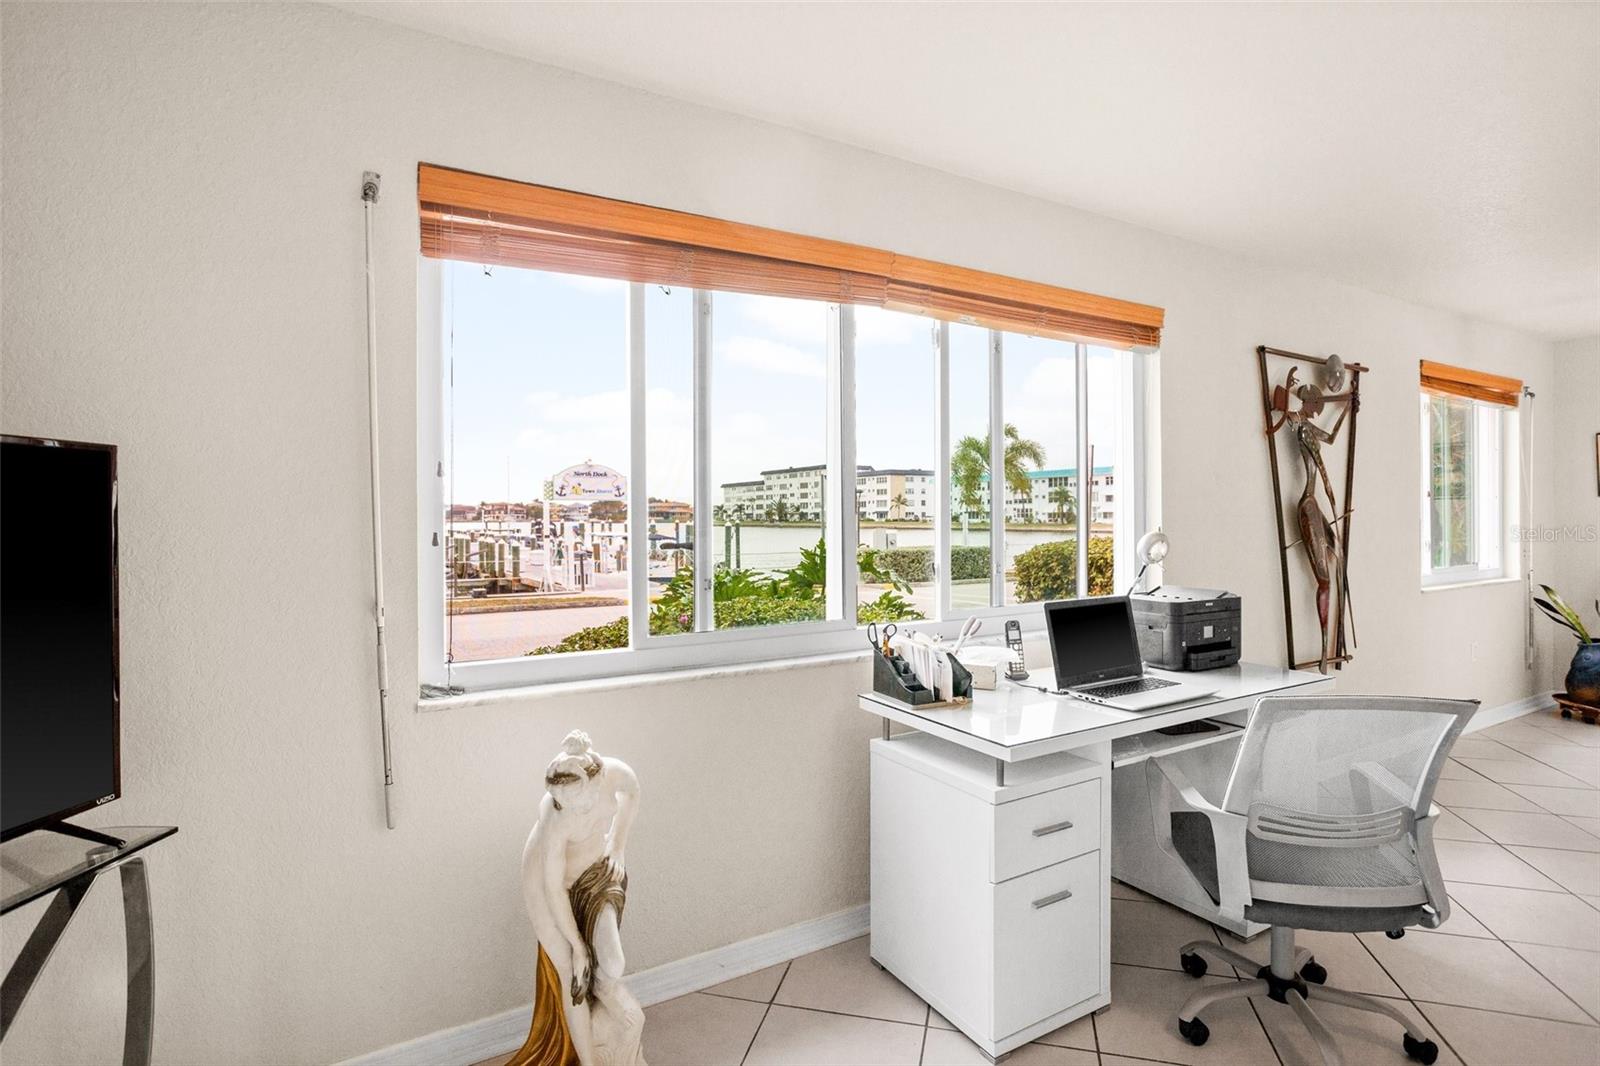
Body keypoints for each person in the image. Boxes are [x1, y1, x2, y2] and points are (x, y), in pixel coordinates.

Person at [511, 732, 644, 1066]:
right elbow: (554, 888)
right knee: (572, 971)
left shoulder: (611, 772)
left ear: (591, 782)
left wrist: (618, 843)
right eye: (560, 802)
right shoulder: (554, 817)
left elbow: (633, 792)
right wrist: (579, 947)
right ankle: (589, 1062)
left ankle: (606, 1001)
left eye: (574, 801)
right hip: (546, 887)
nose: (568, 809)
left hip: (594, 869)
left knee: (612, 964)